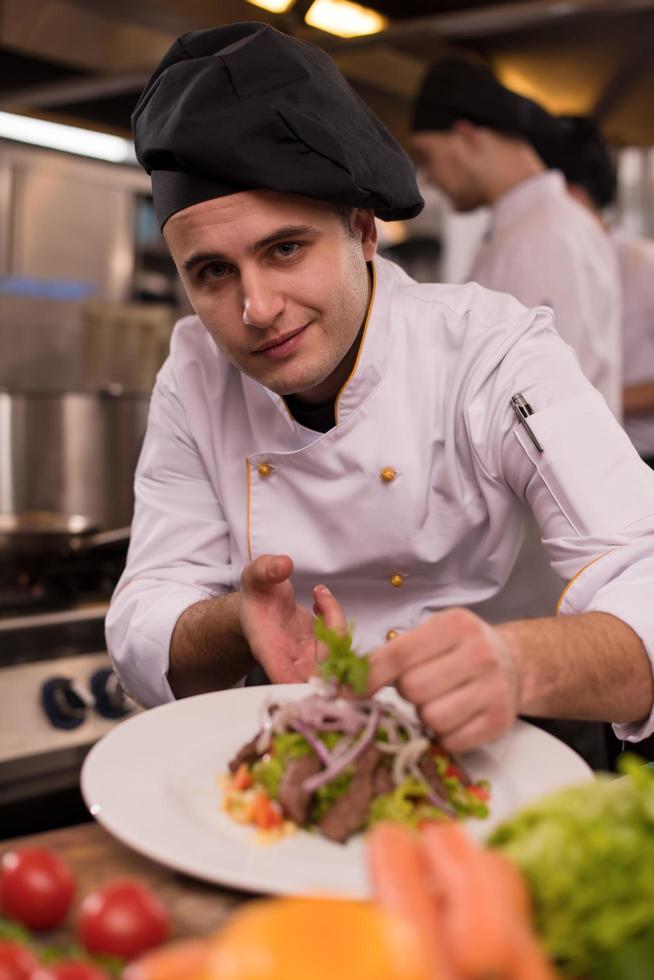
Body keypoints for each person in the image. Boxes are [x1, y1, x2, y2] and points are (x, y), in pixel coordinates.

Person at [107, 22, 654, 768]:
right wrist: (238, 622)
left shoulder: (490, 352)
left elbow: (643, 563)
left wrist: (519, 663)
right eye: (212, 272)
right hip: (298, 751)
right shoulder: (195, 373)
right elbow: (146, 607)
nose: (255, 307)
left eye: (285, 248)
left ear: (363, 231)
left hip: (509, 746)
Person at [411, 56, 622, 419]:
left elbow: (548, 398)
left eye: (427, 157)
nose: (428, 177)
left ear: (466, 138)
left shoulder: (547, 234)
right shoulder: (526, 225)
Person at [540, 115, 654, 471]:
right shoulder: (554, 258)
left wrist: (592, 399)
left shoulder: (640, 264)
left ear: (571, 192)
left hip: (640, 455)